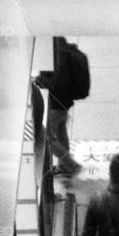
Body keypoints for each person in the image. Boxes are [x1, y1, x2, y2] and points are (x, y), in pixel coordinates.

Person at [35, 37, 84, 178]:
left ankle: (70, 164)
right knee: (61, 130)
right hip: (64, 100)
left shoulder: (56, 53)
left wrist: (40, 80)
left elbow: (58, 83)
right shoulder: (59, 43)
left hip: (57, 101)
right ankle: (65, 165)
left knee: (48, 137)